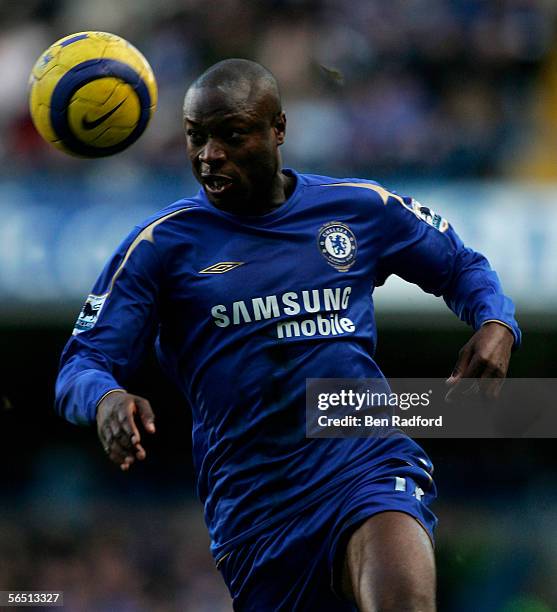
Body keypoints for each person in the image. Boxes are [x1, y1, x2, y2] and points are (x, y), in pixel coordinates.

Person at [55, 59, 520, 611]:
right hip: (256, 511)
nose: (209, 155)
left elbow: (462, 266)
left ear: (278, 128)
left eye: (231, 135)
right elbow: (81, 362)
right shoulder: (160, 246)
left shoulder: (358, 208)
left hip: (364, 458)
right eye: (195, 137)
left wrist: (496, 322)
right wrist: (105, 398)